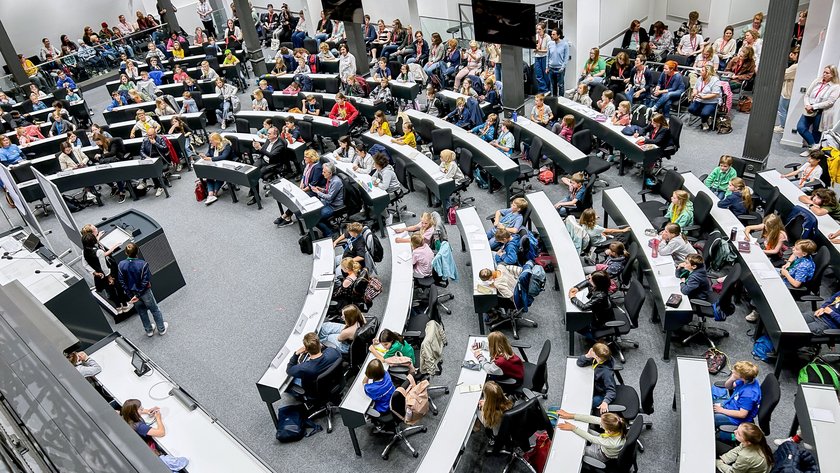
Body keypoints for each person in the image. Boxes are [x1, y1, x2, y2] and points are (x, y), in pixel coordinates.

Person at [118, 243, 167, 336]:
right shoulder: (143, 264)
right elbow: (145, 281)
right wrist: (138, 294)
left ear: (126, 252)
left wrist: (131, 296)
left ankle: (149, 330)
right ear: (138, 251)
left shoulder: (121, 265)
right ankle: (161, 329)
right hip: (145, 293)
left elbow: (122, 282)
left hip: (132, 295)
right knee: (155, 310)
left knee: (142, 312)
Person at [80, 225, 131, 312]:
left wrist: (95, 273)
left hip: (100, 275)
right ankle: (125, 306)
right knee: (118, 287)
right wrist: (109, 276)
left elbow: (85, 265)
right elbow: (104, 266)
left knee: (110, 290)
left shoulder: (84, 251)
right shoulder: (99, 252)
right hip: (108, 272)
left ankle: (118, 307)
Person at [797, 65, 840, 155]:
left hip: (821, 111)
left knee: (816, 132)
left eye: (827, 73)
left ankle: (812, 151)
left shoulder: (836, 87)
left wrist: (814, 107)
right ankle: (813, 147)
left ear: (833, 74)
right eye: (824, 72)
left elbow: (830, 102)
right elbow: (807, 95)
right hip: (809, 108)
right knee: (801, 127)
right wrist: (808, 105)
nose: (824, 74)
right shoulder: (817, 81)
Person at [275, 149, 325, 226]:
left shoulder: (317, 168)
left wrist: (302, 190)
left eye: (306, 157)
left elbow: (313, 183)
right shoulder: (308, 165)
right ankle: (287, 216)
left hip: (315, 190)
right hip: (306, 187)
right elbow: (304, 176)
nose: (304, 158)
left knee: (297, 199)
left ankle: (286, 215)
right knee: (294, 197)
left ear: (311, 158)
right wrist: (301, 184)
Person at [556, 410, 627, 463]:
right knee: (584, 429)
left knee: (578, 448)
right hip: (603, 439)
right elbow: (592, 418)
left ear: (609, 431)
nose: (600, 425)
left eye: (602, 426)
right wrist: (571, 415)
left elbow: (592, 438)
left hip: (601, 453)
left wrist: (573, 428)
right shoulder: (617, 425)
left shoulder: (613, 443)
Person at [712, 361, 761, 430]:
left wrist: (722, 410)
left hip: (736, 419)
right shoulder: (747, 380)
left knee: (709, 417)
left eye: (735, 372)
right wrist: (732, 378)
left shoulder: (748, 395)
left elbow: (742, 414)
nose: (732, 371)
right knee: (709, 404)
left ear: (742, 377)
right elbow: (728, 387)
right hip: (731, 404)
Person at [577, 343, 616, 413]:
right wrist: (587, 356)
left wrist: (605, 402)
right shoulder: (598, 359)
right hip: (594, 383)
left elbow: (611, 391)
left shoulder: (606, 373)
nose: (591, 351)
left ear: (598, 358)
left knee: (584, 405)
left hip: (601, 393)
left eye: (593, 352)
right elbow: (579, 363)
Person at [198, 133, 233, 204]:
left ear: (217, 140)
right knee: (209, 175)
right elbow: (209, 153)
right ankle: (211, 194)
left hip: (225, 164)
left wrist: (210, 158)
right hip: (214, 164)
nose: (210, 142)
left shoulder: (226, 145)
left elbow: (224, 157)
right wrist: (204, 156)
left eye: (212, 141)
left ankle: (214, 192)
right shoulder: (212, 145)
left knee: (219, 175)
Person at [311, 162, 344, 237]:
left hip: (334, 206)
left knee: (314, 219)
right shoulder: (330, 179)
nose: (322, 173)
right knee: (312, 213)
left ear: (330, 173)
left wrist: (317, 192)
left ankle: (329, 233)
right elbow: (328, 191)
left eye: (324, 172)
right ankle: (330, 227)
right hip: (329, 202)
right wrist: (321, 190)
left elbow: (329, 197)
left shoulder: (336, 182)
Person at [776, 46, 800, 134]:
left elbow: (784, 74)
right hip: (788, 90)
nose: (791, 56)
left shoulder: (795, 66)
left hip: (788, 92)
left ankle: (783, 127)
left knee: (782, 109)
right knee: (783, 109)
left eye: (793, 54)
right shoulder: (795, 65)